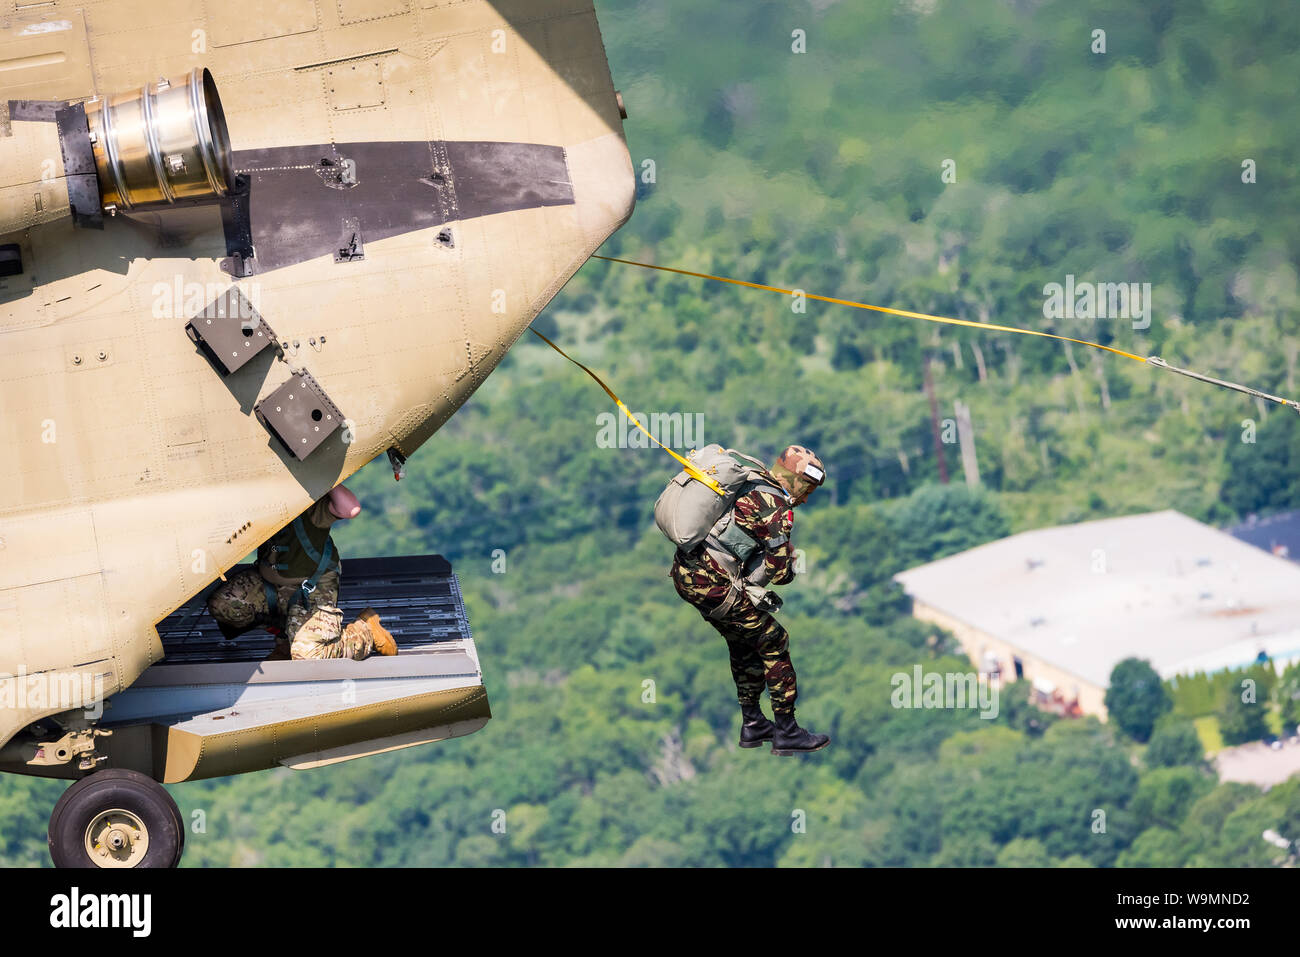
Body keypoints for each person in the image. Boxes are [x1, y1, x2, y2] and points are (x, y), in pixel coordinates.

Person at [670, 444, 830, 754]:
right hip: (711, 583)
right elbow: (781, 572)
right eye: (807, 488)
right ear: (795, 480)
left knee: (744, 641)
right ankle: (787, 730)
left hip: (687, 576)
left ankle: (754, 724)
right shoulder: (777, 507)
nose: (807, 497)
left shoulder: (753, 480)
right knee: (774, 640)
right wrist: (787, 562)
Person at [207, 485, 397, 660]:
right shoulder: (260, 499)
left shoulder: (307, 506)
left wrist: (324, 477)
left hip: (312, 589)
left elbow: (350, 509)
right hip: (270, 586)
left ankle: (365, 632)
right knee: (223, 605)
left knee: (308, 656)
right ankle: (288, 639)